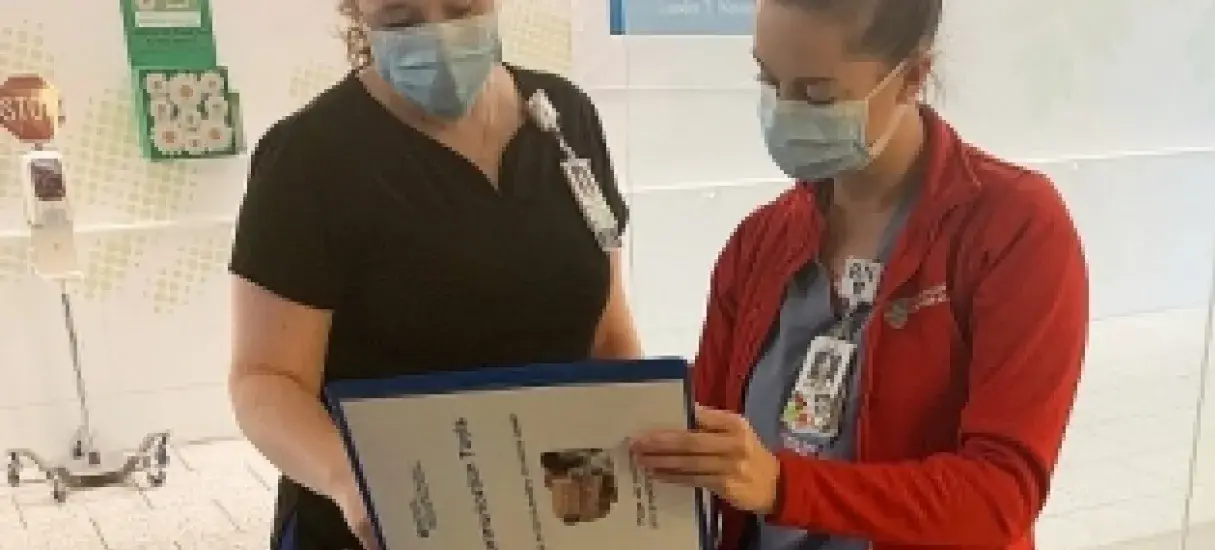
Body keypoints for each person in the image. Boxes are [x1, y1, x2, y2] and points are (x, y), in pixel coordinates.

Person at [630, 1, 1089, 550]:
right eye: (769, 81)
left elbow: (999, 495)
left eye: (818, 94)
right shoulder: (759, 245)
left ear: (912, 76)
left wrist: (784, 486)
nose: (784, 112)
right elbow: (704, 453)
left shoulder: (1011, 229)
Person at [226, 0, 641, 548]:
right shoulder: (309, 159)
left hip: (548, 510)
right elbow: (265, 381)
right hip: (386, 518)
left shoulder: (566, 118)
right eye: (402, 19)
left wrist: (640, 449)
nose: (440, 36)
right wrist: (348, 478)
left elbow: (607, 331)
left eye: (462, 7)